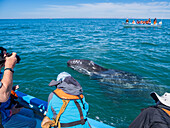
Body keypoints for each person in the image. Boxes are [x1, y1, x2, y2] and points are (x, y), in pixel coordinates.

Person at [0, 47, 37, 128]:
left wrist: (11, 89)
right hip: (4, 118)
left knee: (30, 113)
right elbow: (2, 97)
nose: (6, 56)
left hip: (7, 108)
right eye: (4, 54)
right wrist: (9, 67)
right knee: (32, 122)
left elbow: (2, 90)